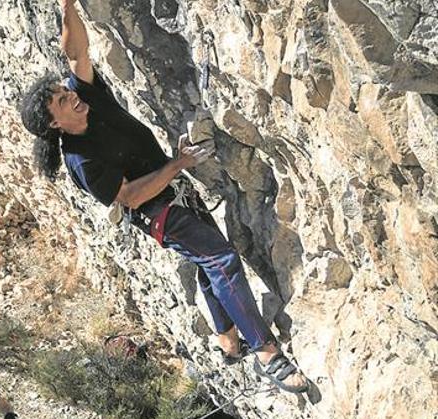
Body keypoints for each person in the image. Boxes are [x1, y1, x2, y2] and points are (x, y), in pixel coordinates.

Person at [18, 0, 307, 394]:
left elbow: (76, 52)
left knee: (209, 262)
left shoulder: (86, 98)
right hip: (158, 211)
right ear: (55, 123)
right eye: (61, 101)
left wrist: (67, 5)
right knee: (220, 260)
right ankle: (267, 354)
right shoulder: (81, 160)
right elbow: (132, 196)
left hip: (176, 190)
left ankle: (226, 339)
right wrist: (178, 164)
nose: (70, 96)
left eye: (64, 92)